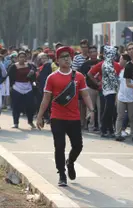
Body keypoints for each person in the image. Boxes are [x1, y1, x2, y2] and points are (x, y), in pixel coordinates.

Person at [36, 46, 95, 186]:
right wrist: (39, 116)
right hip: (57, 117)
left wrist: (91, 110)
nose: (67, 59)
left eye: (68, 56)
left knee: (78, 146)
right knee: (59, 146)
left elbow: (85, 94)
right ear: (57, 60)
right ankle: (62, 174)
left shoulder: (79, 76)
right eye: (63, 56)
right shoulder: (52, 78)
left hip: (74, 117)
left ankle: (70, 162)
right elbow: (46, 98)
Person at [88, 46, 122, 138]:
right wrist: (97, 83)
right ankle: (104, 129)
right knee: (106, 110)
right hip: (104, 90)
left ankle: (110, 129)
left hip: (115, 91)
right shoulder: (102, 64)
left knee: (112, 110)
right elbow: (90, 73)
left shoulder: (117, 65)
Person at [7, 51, 37, 129]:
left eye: (24, 57)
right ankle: (16, 123)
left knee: (30, 106)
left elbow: (34, 76)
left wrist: (32, 75)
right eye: (20, 57)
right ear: (17, 58)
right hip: (17, 87)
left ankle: (30, 121)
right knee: (16, 106)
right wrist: (10, 86)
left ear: (26, 58)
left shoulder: (30, 66)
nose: (22, 58)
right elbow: (9, 77)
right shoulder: (13, 66)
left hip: (28, 87)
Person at [79, 46, 101, 132]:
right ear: (88, 54)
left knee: (100, 108)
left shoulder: (101, 62)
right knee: (91, 108)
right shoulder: (85, 64)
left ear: (97, 52)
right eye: (91, 52)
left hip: (100, 88)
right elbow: (82, 76)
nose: (93, 53)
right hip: (90, 88)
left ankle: (100, 126)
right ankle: (91, 126)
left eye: (94, 51)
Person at [72, 39, 89, 129]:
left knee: (87, 104)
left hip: (90, 84)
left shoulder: (92, 57)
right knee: (80, 104)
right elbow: (74, 70)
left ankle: (86, 122)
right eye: (82, 47)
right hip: (80, 83)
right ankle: (81, 121)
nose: (84, 49)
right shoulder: (77, 58)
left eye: (85, 47)